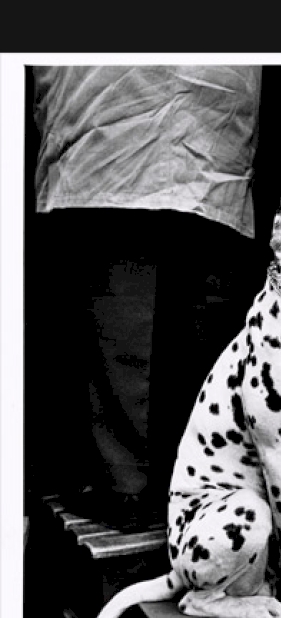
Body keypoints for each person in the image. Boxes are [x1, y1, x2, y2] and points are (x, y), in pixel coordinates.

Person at [30, 65, 264, 530]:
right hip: (213, 131)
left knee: (118, 326)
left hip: (111, 130)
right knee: (201, 329)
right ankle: (194, 485)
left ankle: (125, 488)